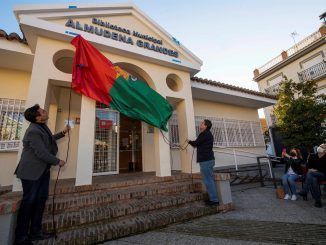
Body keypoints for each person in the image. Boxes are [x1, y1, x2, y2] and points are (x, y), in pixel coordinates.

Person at [14, 104, 70, 245]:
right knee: (29, 204)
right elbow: (41, 152)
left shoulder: (41, 127)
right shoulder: (33, 130)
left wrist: (63, 133)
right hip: (31, 174)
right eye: (42, 111)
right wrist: (58, 161)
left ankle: (35, 233)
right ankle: (21, 238)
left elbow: (49, 140)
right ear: (38, 117)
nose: (45, 112)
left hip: (42, 172)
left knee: (40, 202)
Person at [188, 119, 219, 206]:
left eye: (202, 123)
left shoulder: (204, 134)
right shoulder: (206, 134)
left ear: (205, 126)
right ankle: (213, 199)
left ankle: (215, 201)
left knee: (208, 181)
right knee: (208, 180)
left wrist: (189, 141)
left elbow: (196, 143)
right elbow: (198, 144)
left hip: (206, 161)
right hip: (207, 160)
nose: (200, 124)